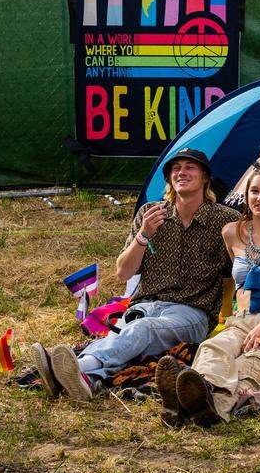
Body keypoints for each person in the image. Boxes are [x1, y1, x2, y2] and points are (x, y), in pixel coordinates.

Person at [32, 148, 238, 401]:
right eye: (175, 168)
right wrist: (143, 235)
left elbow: (238, 274)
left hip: (192, 313)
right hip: (143, 305)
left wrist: (230, 320)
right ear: (169, 178)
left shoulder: (226, 220)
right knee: (129, 339)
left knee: (141, 331)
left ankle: (72, 366)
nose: (181, 172)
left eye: (189, 167)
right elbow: (123, 272)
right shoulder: (149, 214)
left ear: (205, 177)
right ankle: (90, 380)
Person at [156, 165, 260, 426]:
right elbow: (235, 283)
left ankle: (191, 407)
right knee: (213, 349)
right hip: (241, 320)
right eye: (254, 191)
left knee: (250, 364)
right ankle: (199, 403)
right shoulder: (232, 233)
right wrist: (228, 317)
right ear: (246, 195)